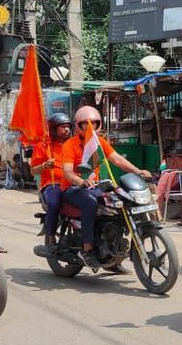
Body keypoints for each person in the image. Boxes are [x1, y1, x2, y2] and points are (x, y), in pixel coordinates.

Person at [60, 105, 151, 268]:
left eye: (94, 123)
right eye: (85, 124)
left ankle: (113, 247)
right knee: (90, 203)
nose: (90, 127)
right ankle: (87, 249)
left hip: (94, 186)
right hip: (72, 189)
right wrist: (81, 181)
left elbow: (117, 159)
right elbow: (67, 172)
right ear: (78, 125)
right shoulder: (70, 145)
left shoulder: (99, 142)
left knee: (118, 200)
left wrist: (139, 171)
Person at [30, 113, 72, 248]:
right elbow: (33, 170)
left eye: (68, 127)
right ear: (53, 128)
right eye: (62, 127)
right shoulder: (43, 146)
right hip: (52, 185)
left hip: (73, 182)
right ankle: (50, 234)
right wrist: (45, 165)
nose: (66, 130)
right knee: (54, 202)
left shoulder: (73, 144)